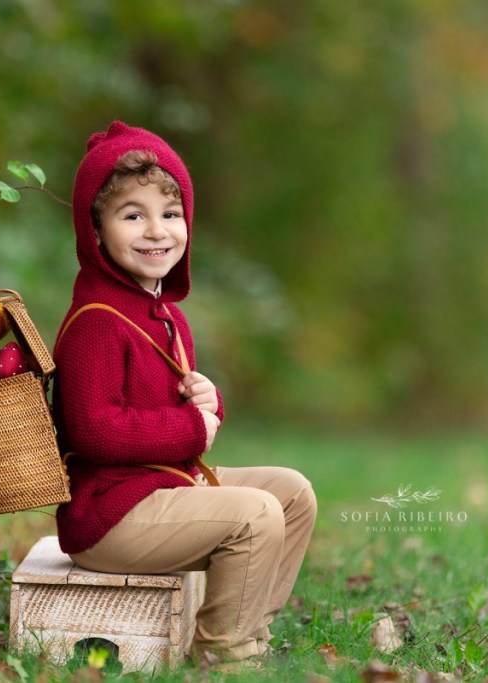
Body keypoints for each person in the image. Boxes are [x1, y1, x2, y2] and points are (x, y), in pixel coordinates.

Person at [52, 120, 317, 670]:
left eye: (170, 214)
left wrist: (205, 400)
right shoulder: (97, 321)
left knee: (291, 494)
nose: (157, 231)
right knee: (255, 513)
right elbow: (94, 430)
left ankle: (247, 628)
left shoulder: (167, 315)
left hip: (162, 486)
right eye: (133, 215)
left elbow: (172, 410)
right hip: (109, 515)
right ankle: (224, 657)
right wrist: (194, 428)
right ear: (95, 230)